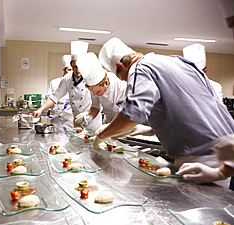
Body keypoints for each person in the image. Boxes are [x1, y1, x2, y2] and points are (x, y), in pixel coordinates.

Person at [95, 37, 234, 168]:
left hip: (199, 155)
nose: (125, 82)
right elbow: (187, 106)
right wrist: (152, 129)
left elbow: (133, 114)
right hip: (227, 148)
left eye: (122, 78)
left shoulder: (140, 68)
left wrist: (103, 134)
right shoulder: (177, 61)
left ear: (121, 65)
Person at [76, 52, 154, 136]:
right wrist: (88, 116)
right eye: (93, 91)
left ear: (106, 82)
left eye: (98, 91)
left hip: (126, 126)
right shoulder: (94, 88)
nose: (95, 94)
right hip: (108, 123)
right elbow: (95, 107)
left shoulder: (123, 84)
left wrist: (106, 132)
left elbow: (134, 112)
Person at [34, 41, 102, 131]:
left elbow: (97, 103)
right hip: (76, 120)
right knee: (77, 143)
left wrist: (88, 116)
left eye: (80, 66)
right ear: (71, 64)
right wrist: (40, 109)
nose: (77, 70)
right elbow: (55, 97)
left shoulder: (91, 78)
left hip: (92, 121)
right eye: (75, 67)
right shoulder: (67, 78)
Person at [44, 55, 73, 130]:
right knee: (56, 138)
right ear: (63, 70)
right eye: (69, 70)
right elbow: (48, 97)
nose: (71, 73)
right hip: (55, 116)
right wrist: (57, 101)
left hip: (70, 119)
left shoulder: (76, 83)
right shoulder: (55, 82)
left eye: (73, 70)